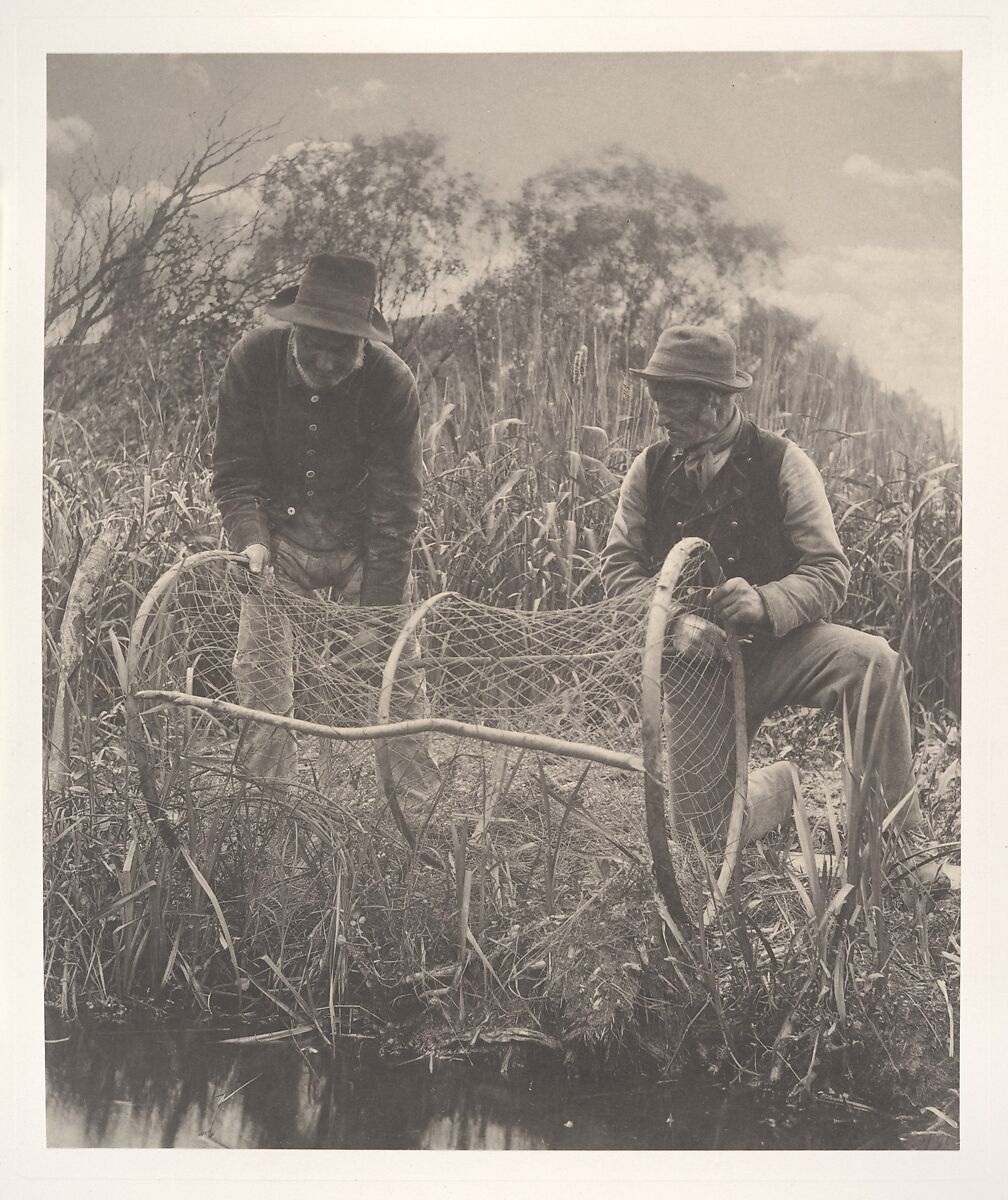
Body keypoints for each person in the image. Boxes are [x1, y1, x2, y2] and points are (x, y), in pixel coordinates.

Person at [601, 324, 926, 838]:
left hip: (782, 646)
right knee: (702, 840)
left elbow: (829, 569)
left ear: (713, 401)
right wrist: (675, 625)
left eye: (671, 401)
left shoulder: (784, 462)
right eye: (655, 398)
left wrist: (766, 602)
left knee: (873, 663)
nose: (657, 414)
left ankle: (899, 847)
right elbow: (618, 570)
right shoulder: (648, 469)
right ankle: (778, 787)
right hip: (697, 662)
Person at [211, 251, 438, 822]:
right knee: (259, 673)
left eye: (344, 346)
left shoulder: (392, 382)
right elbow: (236, 474)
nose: (327, 358)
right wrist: (251, 539)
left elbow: (397, 505)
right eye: (315, 341)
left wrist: (379, 616)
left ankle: (415, 821)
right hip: (278, 545)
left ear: (366, 342)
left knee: (399, 679)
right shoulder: (251, 362)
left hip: (363, 545)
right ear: (295, 328)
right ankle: (268, 818)